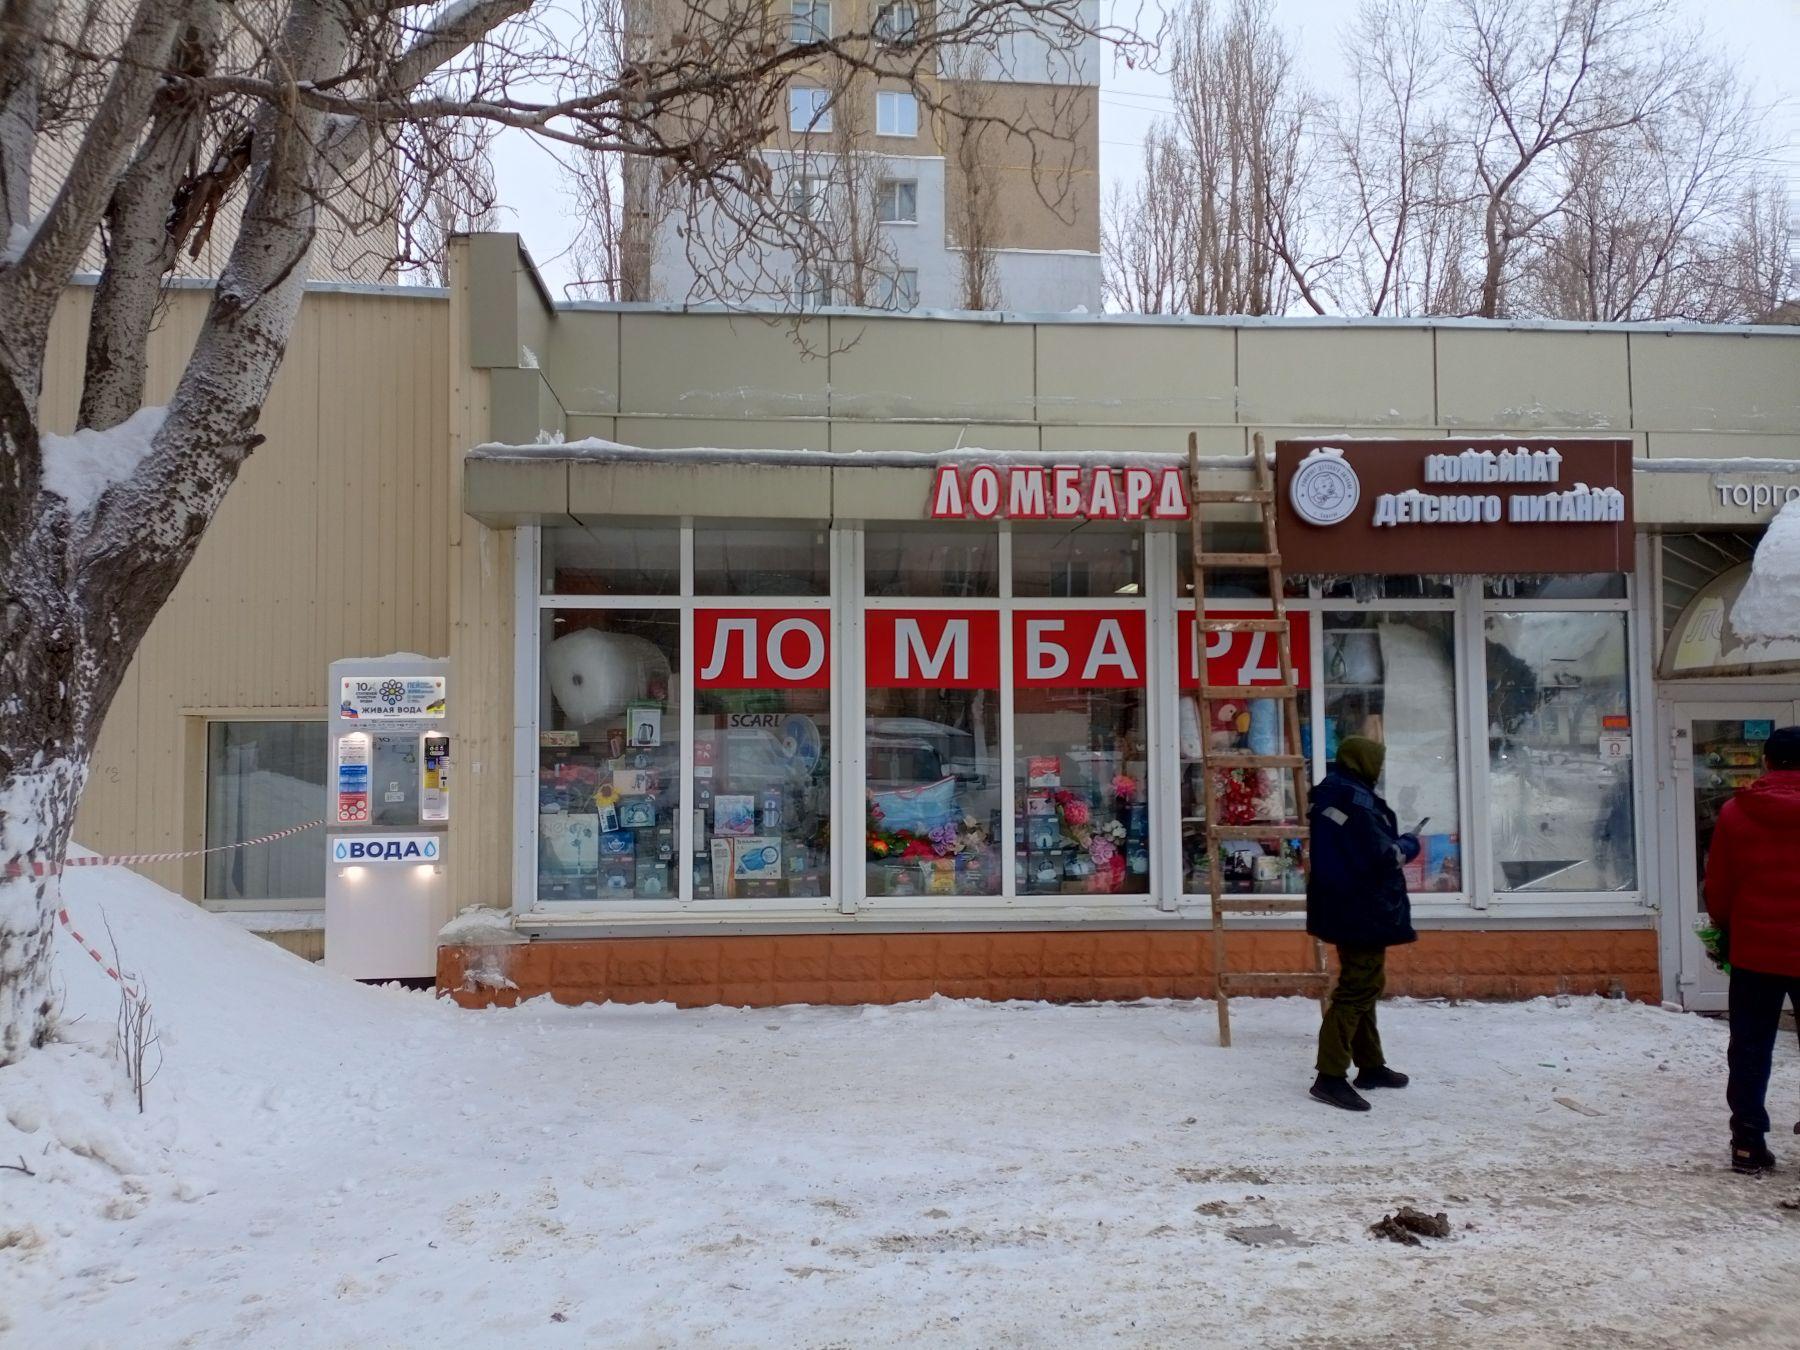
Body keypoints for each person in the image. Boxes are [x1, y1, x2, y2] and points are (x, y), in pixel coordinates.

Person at [1702, 725, 1800, 1175]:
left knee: (1750, 1047)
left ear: (1766, 762)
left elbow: (1719, 885)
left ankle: (1747, 1142)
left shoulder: (1736, 812)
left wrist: (1724, 930)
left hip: (1756, 952)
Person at [1305, 735, 1421, 1112]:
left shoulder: (1334, 793)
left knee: (1365, 982)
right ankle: (1329, 1076)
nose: (1380, 769)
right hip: (1362, 906)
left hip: (1344, 904)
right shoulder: (1355, 800)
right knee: (1357, 988)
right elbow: (1381, 856)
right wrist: (1409, 845)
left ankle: (1370, 1065)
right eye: (1377, 761)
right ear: (1364, 762)